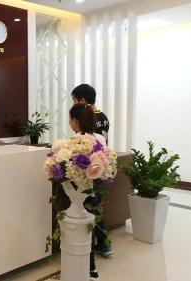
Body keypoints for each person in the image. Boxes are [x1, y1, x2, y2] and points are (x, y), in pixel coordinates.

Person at [71, 84, 114, 256]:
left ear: (82, 100)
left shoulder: (88, 119)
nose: (74, 105)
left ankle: (93, 245)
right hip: (102, 167)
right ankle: (103, 243)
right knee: (96, 207)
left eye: (74, 101)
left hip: (90, 170)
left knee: (90, 208)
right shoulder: (102, 116)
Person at [69, 103, 106, 280]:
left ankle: (89, 266)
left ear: (75, 121)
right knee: (90, 223)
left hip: (82, 190)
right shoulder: (100, 138)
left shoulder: (75, 140)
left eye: (70, 118)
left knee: (83, 227)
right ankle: (90, 266)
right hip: (97, 187)